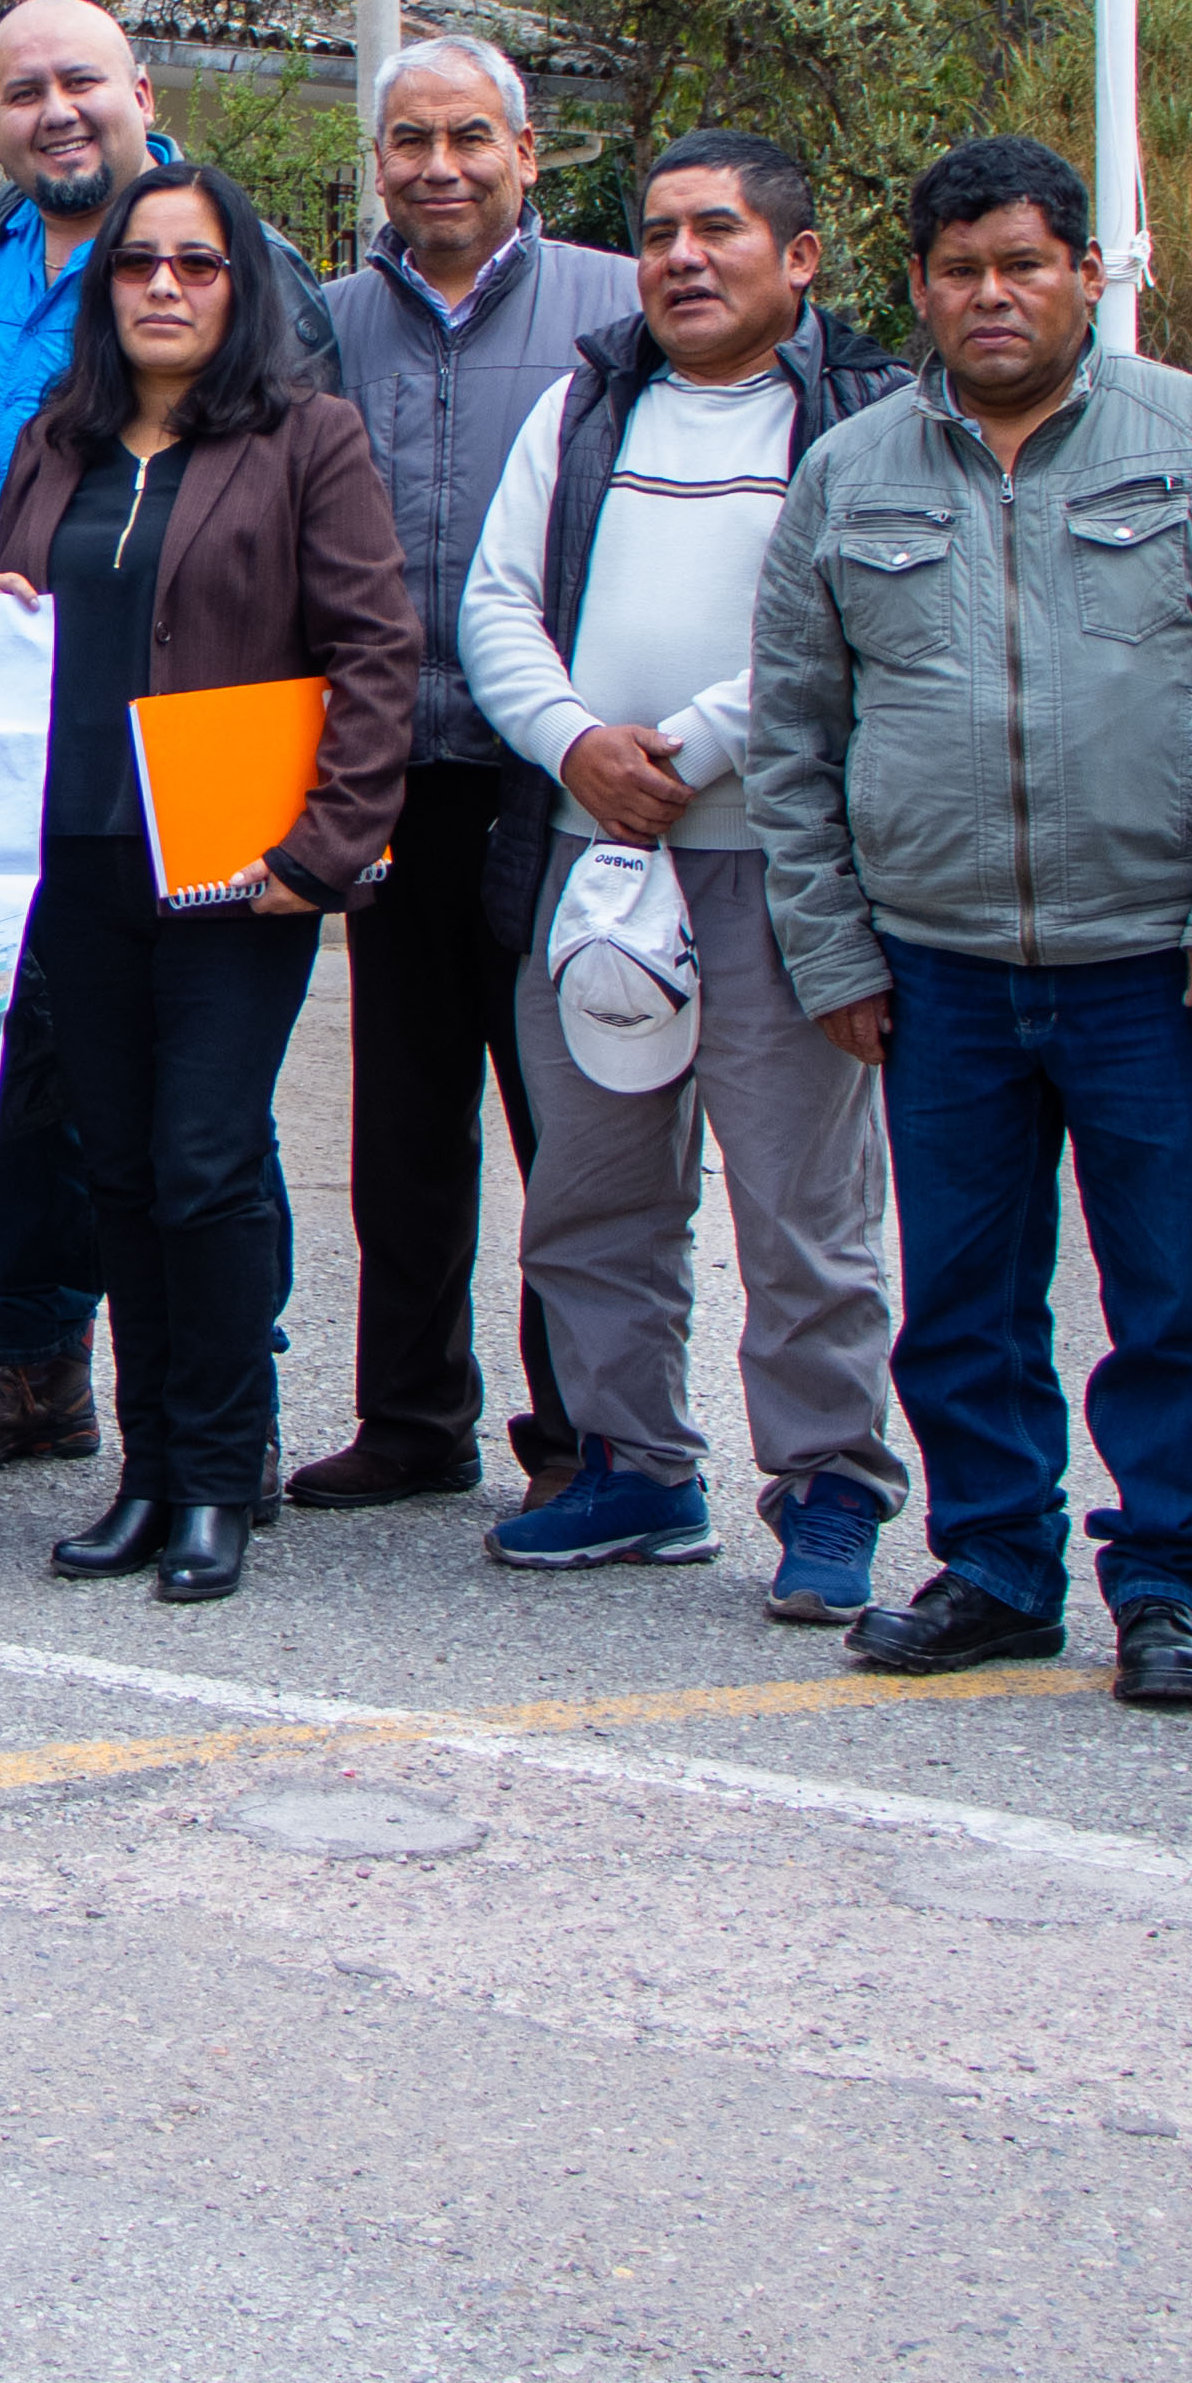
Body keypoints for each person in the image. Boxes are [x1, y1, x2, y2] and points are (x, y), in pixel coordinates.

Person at [742, 134, 1192, 1713]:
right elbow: (794, 734)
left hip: (1156, 964)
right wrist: (837, 950)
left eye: (1022, 264)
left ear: (1085, 274)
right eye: (959, 271)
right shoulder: (851, 473)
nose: (991, 296)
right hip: (936, 972)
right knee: (964, 1296)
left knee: (1167, 1295)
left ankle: (1168, 1581)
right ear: (915, 289)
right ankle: (994, 1563)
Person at [0, 0, 339, 1485]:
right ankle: (39, 1366)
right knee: (36, 1077)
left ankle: (223, 1405)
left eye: (81, 81)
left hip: (195, 757)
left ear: (141, 87)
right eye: (20, 92)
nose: (55, 111)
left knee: (201, 1115)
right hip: (2, 749)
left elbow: (318, 541)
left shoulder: (236, 260)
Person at [454, 126, 910, 1617]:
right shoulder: (589, 405)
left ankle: (829, 1485)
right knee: (591, 1192)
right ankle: (635, 1468)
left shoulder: (861, 418)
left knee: (800, 1207)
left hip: (779, 876)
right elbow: (497, 604)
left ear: (802, 258)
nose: (680, 258)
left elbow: (842, 633)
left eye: (716, 229)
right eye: (657, 232)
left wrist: (694, 750)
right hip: (590, 867)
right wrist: (578, 746)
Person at [0, 158, 416, 1604]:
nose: (162, 284)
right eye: (136, 264)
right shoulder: (57, 441)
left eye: (196, 263)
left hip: (240, 868)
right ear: (105, 293)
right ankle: (146, 1472)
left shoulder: (308, 437)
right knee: (115, 1166)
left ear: (243, 288)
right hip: (77, 858)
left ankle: (223, 1478)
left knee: (205, 1162)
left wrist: (328, 845)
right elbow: (23, 618)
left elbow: (374, 650)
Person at [304, 35, 638, 1515]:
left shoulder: (618, 307)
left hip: (555, 779)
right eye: (409, 141)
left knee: (573, 1122)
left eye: (468, 139)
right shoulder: (321, 322)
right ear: (375, 163)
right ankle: (412, 1418)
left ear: (526, 153)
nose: (438, 166)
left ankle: (585, 1436)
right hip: (387, 776)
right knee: (402, 1128)